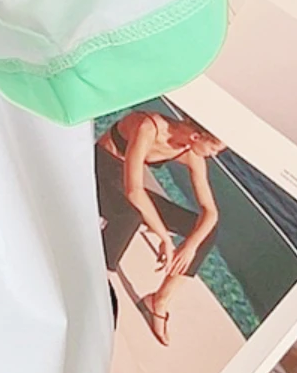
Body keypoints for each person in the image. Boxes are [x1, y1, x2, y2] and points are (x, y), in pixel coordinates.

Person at [95, 109, 225, 344]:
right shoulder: (147, 127)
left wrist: (190, 247)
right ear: (196, 136)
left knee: (205, 232)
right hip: (98, 174)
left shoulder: (190, 153)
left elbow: (210, 211)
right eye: (213, 148)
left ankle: (158, 301)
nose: (214, 155)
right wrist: (165, 239)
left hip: (125, 186)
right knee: (133, 213)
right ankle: (97, 279)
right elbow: (134, 191)